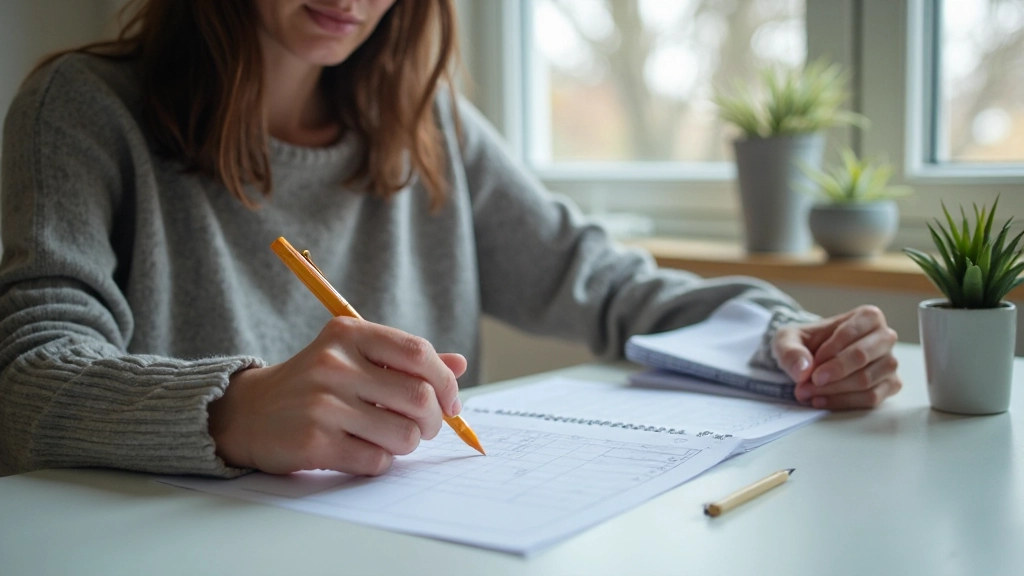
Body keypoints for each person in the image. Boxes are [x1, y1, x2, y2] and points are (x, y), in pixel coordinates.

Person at [0, 0, 901, 479]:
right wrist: (236, 409)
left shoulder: (425, 123)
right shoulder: (83, 110)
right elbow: (27, 376)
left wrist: (778, 332)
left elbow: (603, 279)